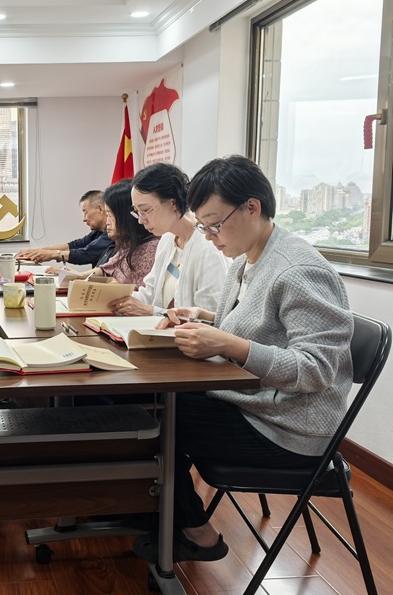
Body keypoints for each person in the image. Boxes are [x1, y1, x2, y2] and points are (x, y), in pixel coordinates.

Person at [132, 155, 354, 564]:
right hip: (254, 404)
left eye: (215, 224)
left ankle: (193, 531)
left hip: (290, 430)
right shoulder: (246, 259)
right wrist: (203, 319)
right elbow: (252, 327)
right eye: (204, 226)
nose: (210, 237)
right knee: (152, 404)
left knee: (155, 418)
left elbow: (316, 370)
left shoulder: (298, 269)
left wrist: (228, 344)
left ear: (252, 207)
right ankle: (163, 517)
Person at [109, 163, 230, 316]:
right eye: (137, 212)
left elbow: (210, 318)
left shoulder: (208, 247)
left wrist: (152, 312)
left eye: (145, 211)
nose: (140, 220)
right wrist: (111, 299)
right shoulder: (167, 239)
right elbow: (150, 294)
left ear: (172, 203)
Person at [72, 180, 158, 287]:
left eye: (109, 215)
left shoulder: (151, 248)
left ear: (124, 216)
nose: (107, 222)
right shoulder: (127, 244)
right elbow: (105, 269)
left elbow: (142, 292)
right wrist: (76, 276)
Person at [16, 190, 114, 267]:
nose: (84, 219)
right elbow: (75, 245)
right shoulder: (98, 232)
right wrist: (38, 251)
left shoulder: (113, 233)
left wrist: (52, 254)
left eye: (85, 212)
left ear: (100, 209)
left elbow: (86, 254)